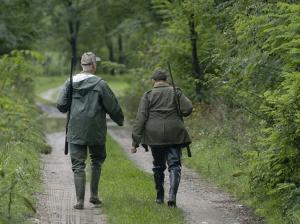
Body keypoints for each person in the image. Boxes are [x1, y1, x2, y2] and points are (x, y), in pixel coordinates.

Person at [57, 52, 124, 209]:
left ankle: (79, 201)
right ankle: (94, 195)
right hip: (96, 130)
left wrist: (68, 105)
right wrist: (119, 120)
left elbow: (61, 105)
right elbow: (112, 106)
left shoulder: (70, 82)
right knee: (96, 160)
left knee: (78, 165)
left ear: (82, 65)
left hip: (75, 130)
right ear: (93, 65)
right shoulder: (100, 84)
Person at [131, 69, 192, 207]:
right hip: (174, 133)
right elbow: (188, 108)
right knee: (175, 165)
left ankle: (159, 197)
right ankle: (172, 196)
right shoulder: (176, 92)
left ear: (153, 81)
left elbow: (140, 119)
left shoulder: (148, 95)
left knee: (158, 166)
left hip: (154, 135)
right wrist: (179, 112)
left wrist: (135, 142)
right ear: (166, 80)